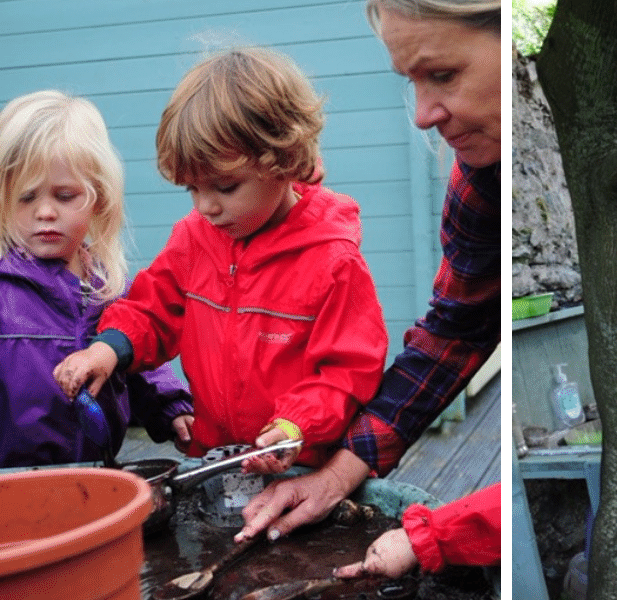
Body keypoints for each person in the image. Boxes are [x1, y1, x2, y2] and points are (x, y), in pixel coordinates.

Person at [236, 0, 501, 579]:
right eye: (411, 82)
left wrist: (444, 534)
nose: (422, 115)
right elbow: (455, 333)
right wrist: (333, 480)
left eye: (443, 75)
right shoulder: (476, 185)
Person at [53, 48, 388, 472]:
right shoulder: (195, 238)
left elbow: (347, 372)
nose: (206, 206)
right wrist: (107, 348)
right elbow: (152, 309)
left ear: (283, 161)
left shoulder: (333, 261)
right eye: (192, 189)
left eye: (225, 187)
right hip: (217, 461)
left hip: (301, 465)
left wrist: (294, 426)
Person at [0, 90, 193, 467]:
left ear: (99, 198)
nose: (45, 212)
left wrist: (171, 407)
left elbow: (138, 357)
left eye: (65, 195)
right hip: (14, 485)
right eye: (25, 198)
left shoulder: (108, 287)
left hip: (96, 476)